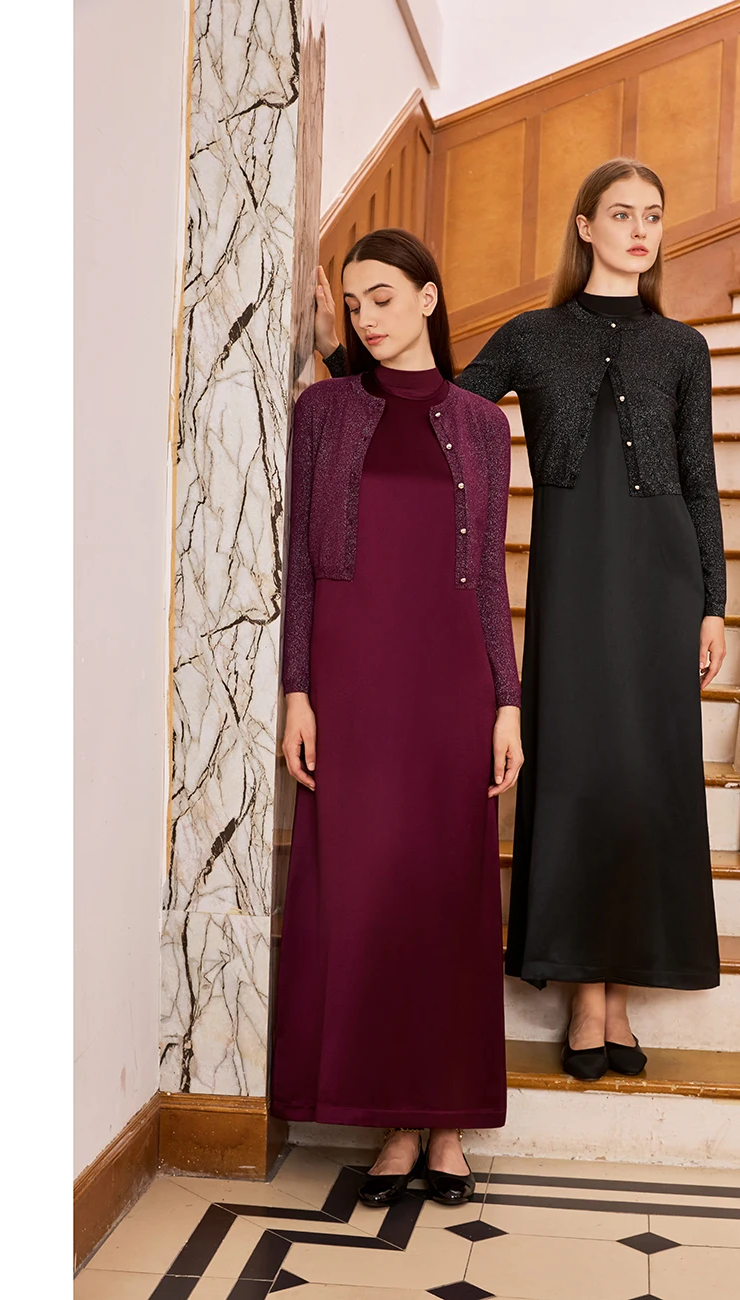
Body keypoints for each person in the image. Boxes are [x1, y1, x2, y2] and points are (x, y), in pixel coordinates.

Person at [316, 159, 725, 1082]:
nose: (639, 230)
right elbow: (434, 402)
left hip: (661, 581)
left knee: (646, 780)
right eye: (621, 214)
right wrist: (339, 352)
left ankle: (618, 997)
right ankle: (583, 995)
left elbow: (700, 478)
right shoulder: (534, 336)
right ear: (584, 226)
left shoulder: (684, 348)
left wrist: (713, 601)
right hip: (575, 580)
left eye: (653, 216)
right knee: (576, 767)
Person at [271, 228, 522, 1206]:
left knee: (446, 895)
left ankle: (446, 1125)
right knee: (366, 893)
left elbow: (489, 576)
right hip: (354, 684)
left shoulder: (483, 425)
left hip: (449, 685)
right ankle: (392, 1122)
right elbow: (301, 563)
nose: (366, 318)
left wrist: (507, 701)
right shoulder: (322, 412)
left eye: (383, 297)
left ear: (427, 297)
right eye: (352, 304)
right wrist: (298, 688)